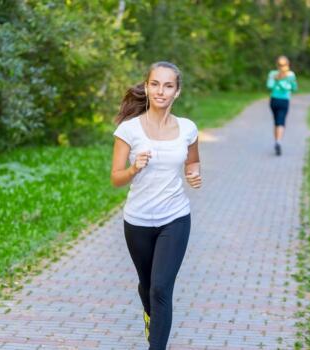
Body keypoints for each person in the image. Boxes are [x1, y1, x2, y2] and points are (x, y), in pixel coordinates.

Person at [110, 61, 201, 349]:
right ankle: (151, 317)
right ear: (147, 87)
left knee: (161, 288)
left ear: (177, 92)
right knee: (147, 286)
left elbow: (193, 161)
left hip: (175, 218)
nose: (161, 91)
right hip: (137, 221)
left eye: (168, 85)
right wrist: (134, 168)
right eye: (155, 84)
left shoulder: (187, 128)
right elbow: (115, 178)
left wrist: (194, 173)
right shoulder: (129, 130)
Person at [267, 55, 298, 156]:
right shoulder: (291, 75)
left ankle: (276, 141)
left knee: (276, 121)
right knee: (281, 122)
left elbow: (269, 86)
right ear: (288, 64)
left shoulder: (272, 74)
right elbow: (294, 88)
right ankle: (278, 142)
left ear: (277, 65)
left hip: (274, 100)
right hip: (284, 100)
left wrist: (277, 81)